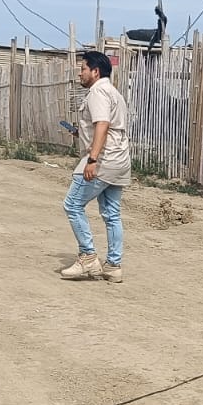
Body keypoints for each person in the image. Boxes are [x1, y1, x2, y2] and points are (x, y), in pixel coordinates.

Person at [59, 51, 131, 283]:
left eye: (83, 69)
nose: (80, 74)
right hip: (119, 160)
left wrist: (92, 160)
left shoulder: (97, 92)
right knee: (112, 213)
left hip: (103, 161)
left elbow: (102, 124)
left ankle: (88, 256)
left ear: (95, 71)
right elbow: (107, 126)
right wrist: (81, 134)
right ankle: (113, 266)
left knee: (72, 205)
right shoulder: (114, 92)